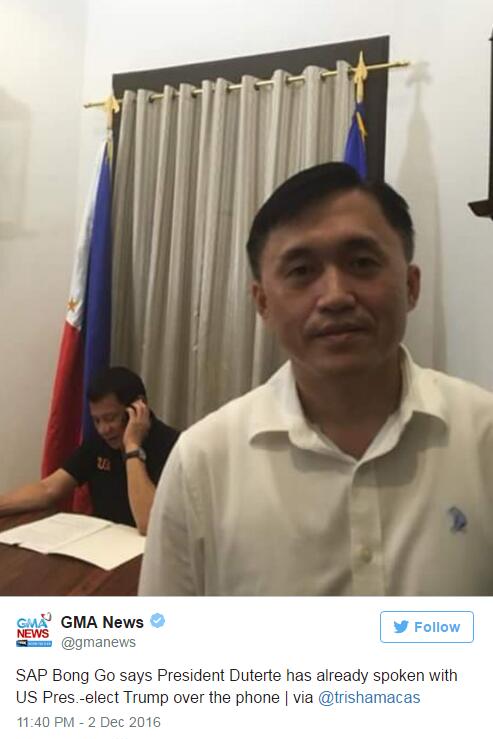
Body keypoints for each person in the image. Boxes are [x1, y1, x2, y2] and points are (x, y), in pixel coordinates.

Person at [139, 162, 493, 595]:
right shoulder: (202, 463)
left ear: (411, 285)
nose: (336, 296)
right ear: (263, 303)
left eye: (362, 263)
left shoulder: (484, 436)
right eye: (302, 271)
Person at [0, 367, 179, 535]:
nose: (103, 430)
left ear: (139, 407)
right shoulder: (99, 443)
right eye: (97, 420)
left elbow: (149, 524)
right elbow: (49, 489)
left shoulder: (173, 447)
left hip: (146, 552)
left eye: (110, 418)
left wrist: (132, 447)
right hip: (101, 544)